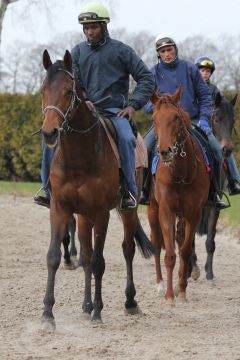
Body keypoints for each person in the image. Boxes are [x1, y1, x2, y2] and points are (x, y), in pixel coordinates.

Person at [34, 1, 155, 211]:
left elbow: (146, 78)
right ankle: (46, 189)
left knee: (127, 139)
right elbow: (74, 83)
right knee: (49, 138)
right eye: (86, 28)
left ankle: (128, 192)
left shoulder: (122, 51)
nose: (90, 32)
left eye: (94, 27)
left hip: (114, 112)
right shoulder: (78, 52)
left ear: (104, 26)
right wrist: (85, 99)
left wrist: (133, 105)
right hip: (84, 112)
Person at [139, 33, 228, 209]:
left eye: (169, 49)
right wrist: (156, 108)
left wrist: (203, 119)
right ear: (159, 54)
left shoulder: (190, 69)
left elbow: (205, 97)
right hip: (164, 123)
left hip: (192, 120)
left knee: (217, 150)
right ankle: (144, 190)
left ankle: (214, 193)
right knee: (145, 148)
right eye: (163, 51)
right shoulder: (153, 73)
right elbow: (145, 103)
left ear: (175, 50)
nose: (167, 54)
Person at [195, 56, 240, 195]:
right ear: (197, 71)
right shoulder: (190, 87)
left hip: (209, 127)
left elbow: (223, 106)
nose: (205, 73)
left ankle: (234, 180)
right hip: (192, 123)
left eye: (208, 71)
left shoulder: (214, 90)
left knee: (225, 150)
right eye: (203, 70)